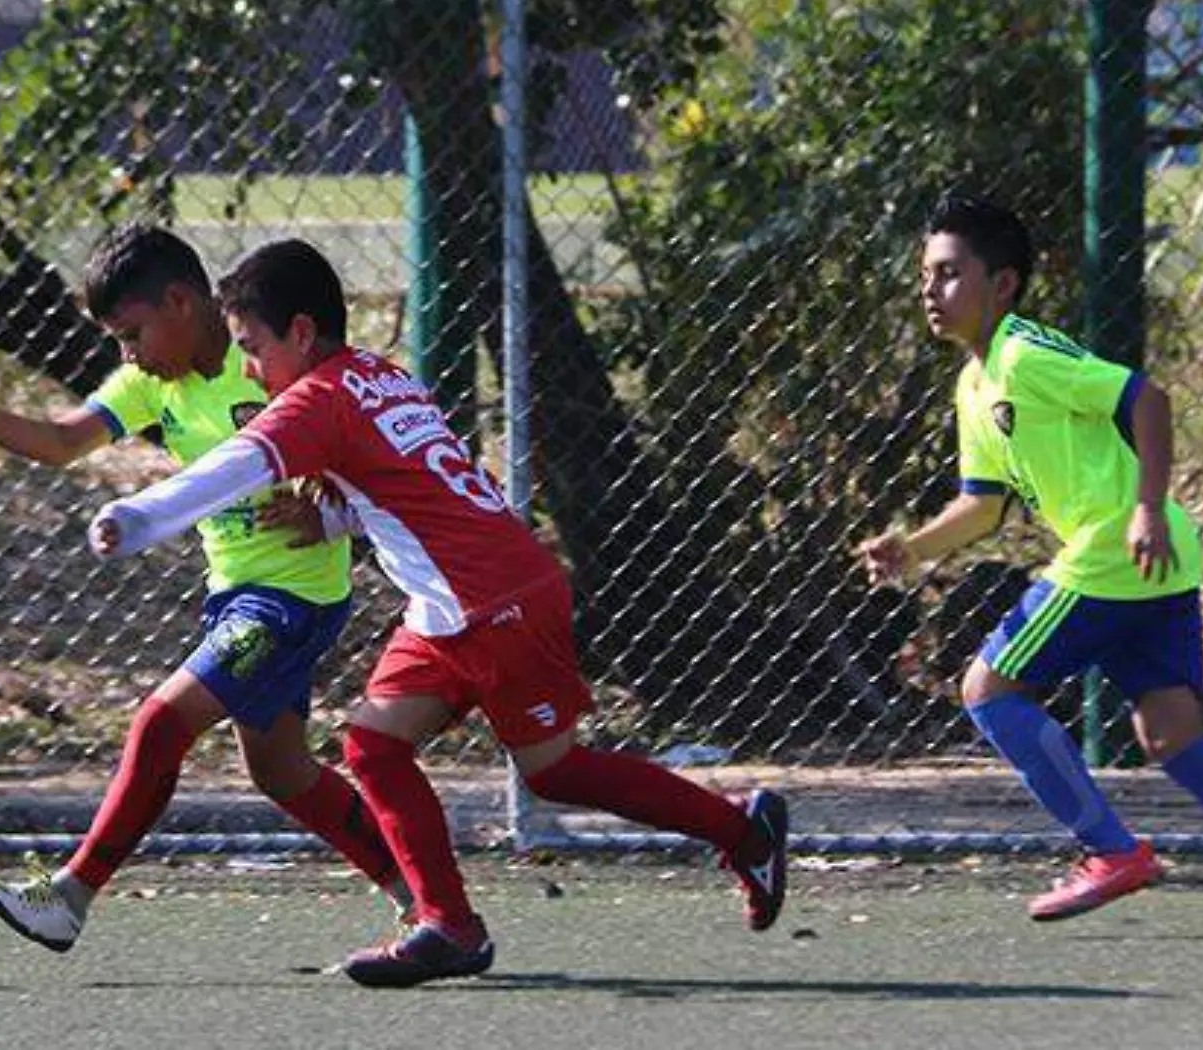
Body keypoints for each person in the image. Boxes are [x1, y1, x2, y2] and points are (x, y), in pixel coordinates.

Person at [86, 238, 790, 988]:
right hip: (455, 604)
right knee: (373, 747)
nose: (249, 369)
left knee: (553, 771)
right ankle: (448, 927)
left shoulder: (315, 400)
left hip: (496, 603)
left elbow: (233, 469)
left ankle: (742, 829)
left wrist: (136, 517)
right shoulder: (377, 379)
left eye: (253, 348)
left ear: (299, 333)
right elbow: (410, 487)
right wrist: (329, 521)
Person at [857, 192, 1203, 937]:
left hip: (1115, 549)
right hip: (1153, 562)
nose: (931, 290)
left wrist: (1147, 508)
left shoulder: (1027, 353)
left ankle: (1111, 852)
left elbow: (1145, 398)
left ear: (1003, 286)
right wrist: (916, 548)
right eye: (927, 276)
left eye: (949, 273)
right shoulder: (974, 383)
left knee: (987, 688)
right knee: (1174, 737)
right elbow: (987, 504)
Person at [0, 224, 406, 952]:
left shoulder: (268, 364)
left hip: (292, 601)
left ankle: (71, 894)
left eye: (132, 333)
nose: (126, 355)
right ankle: (418, 892)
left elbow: (369, 456)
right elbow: (67, 441)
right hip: (234, 596)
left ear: (181, 303)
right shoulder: (147, 384)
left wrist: (331, 513)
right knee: (283, 772)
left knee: (162, 723)